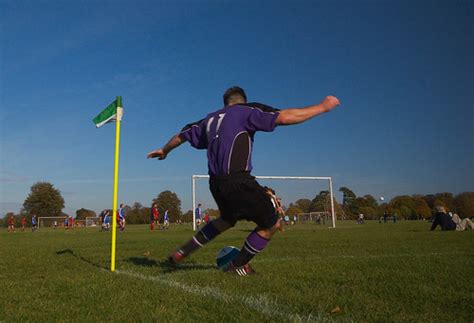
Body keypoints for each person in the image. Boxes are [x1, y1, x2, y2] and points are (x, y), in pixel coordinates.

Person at [147, 86, 340, 276]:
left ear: (225, 103)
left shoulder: (209, 119)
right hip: (238, 180)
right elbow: (283, 117)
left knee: (226, 220)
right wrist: (322, 107)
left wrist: (165, 150)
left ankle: (182, 252)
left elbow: (181, 136)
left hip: (215, 183)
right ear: (242, 101)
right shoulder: (245, 111)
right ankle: (236, 265)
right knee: (271, 224)